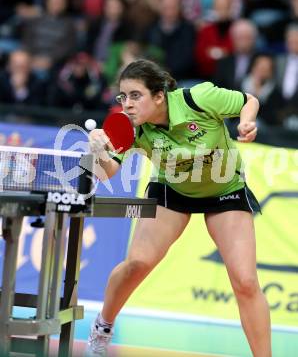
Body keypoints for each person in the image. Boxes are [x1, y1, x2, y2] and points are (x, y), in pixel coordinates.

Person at [87, 59, 272, 357]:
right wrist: (95, 150)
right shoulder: (130, 127)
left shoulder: (198, 98)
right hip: (171, 191)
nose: (128, 104)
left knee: (246, 281)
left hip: (224, 189)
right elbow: (104, 172)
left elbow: (249, 100)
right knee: (138, 263)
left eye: (136, 95)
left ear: (159, 95)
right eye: (123, 97)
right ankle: (102, 326)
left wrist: (247, 121)